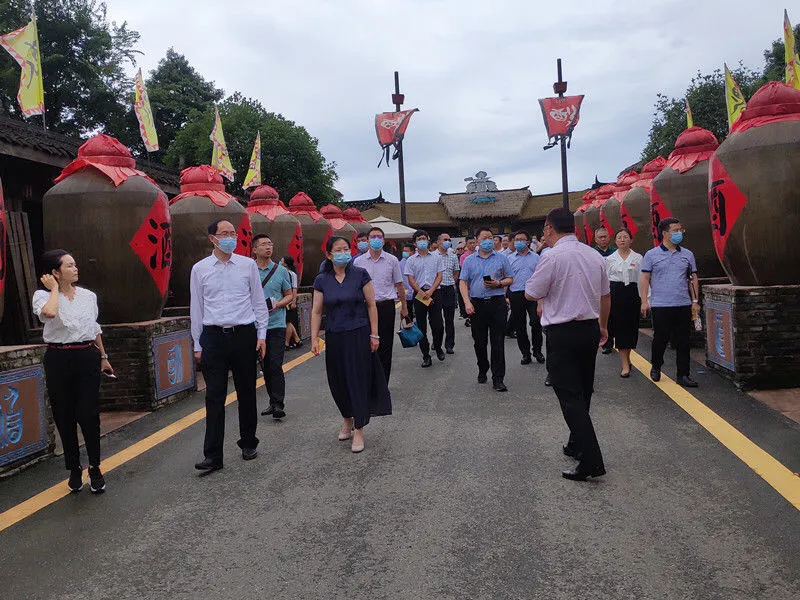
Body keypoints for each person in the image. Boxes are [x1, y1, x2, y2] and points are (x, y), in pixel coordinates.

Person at [525, 208, 609, 481]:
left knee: (569, 397)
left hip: (562, 332)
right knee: (583, 390)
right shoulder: (593, 254)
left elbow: (531, 292)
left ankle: (592, 460)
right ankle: (576, 443)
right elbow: (606, 295)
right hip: (590, 328)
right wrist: (603, 327)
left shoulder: (551, 256)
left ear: (549, 227)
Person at [190, 219, 270, 473]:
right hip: (213, 337)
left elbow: (259, 302)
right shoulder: (200, 269)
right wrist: (197, 343)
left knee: (247, 391)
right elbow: (197, 308)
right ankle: (213, 455)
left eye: (233, 233)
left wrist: (262, 335)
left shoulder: (247, 266)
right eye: (224, 233)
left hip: (244, 334)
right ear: (212, 238)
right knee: (214, 396)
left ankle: (248, 442)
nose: (230, 237)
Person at [33, 250, 112, 494]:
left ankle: (95, 467)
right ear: (55, 272)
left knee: (89, 413)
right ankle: (74, 467)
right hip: (58, 358)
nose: (76, 268)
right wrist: (55, 290)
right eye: (69, 265)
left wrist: (104, 356)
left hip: (87, 355)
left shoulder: (88, 296)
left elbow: (94, 327)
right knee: (64, 415)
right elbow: (49, 314)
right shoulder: (42, 296)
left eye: (75, 264)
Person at [311, 236, 391, 453]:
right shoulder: (322, 279)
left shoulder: (360, 275)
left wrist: (375, 335)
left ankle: (359, 428)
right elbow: (317, 311)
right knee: (337, 381)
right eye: (338, 250)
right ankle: (347, 418)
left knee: (357, 380)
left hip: (358, 334)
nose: (343, 253)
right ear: (329, 254)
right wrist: (314, 338)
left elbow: (372, 305)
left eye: (346, 249)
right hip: (335, 336)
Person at [640, 217, 700, 388]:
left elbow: (693, 278)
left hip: (682, 304)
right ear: (665, 233)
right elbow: (645, 278)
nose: (679, 233)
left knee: (683, 341)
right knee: (660, 339)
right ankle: (656, 366)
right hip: (661, 305)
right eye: (675, 230)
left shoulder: (687, 254)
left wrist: (695, 301)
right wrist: (644, 301)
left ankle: (683, 374)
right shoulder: (652, 255)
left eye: (681, 230)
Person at [459, 227, 513, 392]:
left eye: (491, 237)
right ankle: (483, 367)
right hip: (477, 304)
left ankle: (498, 378)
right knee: (479, 342)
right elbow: (462, 282)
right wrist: (467, 302)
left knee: (497, 342)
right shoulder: (469, 260)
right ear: (477, 240)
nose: (488, 240)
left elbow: (510, 278)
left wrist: (498, 283)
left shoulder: (502, 258)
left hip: (497, 303)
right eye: (484, 237)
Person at [354, 226, 408, 383]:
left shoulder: (392, 260)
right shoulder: (358, 261)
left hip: (386, 306)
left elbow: (399, 285)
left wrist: (404, 307)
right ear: (368, 240)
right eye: (373, 237)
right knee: (366, 345)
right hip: (365, 307)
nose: (376, 240)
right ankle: (369, 381)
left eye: (379, 237)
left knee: (385, 345)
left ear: (384, 241)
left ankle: (384, 382)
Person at [252, 234, 293, 419]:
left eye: (270, 243)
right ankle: (272, 401)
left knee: (275, 364)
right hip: (254, 326)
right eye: (263, 244)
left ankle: (278, 404)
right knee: (265, 365)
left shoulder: (280, 271)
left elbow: (289, 295)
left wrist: (278, 304)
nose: (268, 247)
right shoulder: (248, 269)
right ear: (254, 249)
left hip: (276, 324)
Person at [404, 230, 445, 367]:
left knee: (438, 324)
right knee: (421, 326)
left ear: (428, 240)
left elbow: (439, 276)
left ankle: (438, 347)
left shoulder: (436, 257)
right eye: (419, 239)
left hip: (435, 292)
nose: (422, 241)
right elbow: (411, 279)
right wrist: (422, 293)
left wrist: (431, 291)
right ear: (415, 243)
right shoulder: (411, 260)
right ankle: (426, 355)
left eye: (424, 238)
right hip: (419, 294)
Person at [605, 229, 643, 378]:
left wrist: (646, 300)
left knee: (631, 328)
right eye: (619, 237)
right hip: (616, 293)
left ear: (631, 240)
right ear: (615, 241)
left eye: (625, 237)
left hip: (632, 294)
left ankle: (628, 358)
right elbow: (605, 281)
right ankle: (625, 364)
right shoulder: (610, 259)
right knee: (620, 329)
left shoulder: (638, 258)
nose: (622, 240)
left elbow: (642, 280)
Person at [508, 230, 544, 365]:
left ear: (528, 242)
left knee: (536, 322)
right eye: (516, 239)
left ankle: (537, 351)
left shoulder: (536, 257)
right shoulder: (509, 258)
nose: (518, 242)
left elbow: (541, 278)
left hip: (534, 294)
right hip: (516, 294)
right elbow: (506, 277)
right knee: (520, 325)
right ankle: (525, 353)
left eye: (521, 239)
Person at [436, 232, 460, 354]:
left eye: (449, 239)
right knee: (436, 319)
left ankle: (449, 344)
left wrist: (452, 282)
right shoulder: (433, 256)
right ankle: (437, 342)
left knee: (449, 319)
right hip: (436, 290)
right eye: (445, 239)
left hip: (449, 289)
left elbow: (456, 272)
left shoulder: (453, 256)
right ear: (438, 242)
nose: (448, 241)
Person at [282, 255, 303, 350]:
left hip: (289, 302)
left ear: (285, 263)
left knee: (288, 322)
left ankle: (286, 343)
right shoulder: (282, 272)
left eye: (281, 261)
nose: (280, 262)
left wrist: (293, 301)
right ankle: (297, 339)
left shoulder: (292, 274)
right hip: (283, 300)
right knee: (288, 321)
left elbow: (294, 289)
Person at [459, 236, 477, 326]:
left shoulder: (479, 254)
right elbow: (465, 271)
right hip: (469, 285)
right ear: (466, 244)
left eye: (474, 242)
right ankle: (470, 319)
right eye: (470, 243)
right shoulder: (464, 257)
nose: (472, 245)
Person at [399, 243, 416, 323]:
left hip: (419, 292)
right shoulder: (400, 263)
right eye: (403, 251)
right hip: (407, 294)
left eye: (406, 251)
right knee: (408, 317)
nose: (404, 253)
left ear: (412, 252)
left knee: (421, 314)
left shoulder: (416, 261)